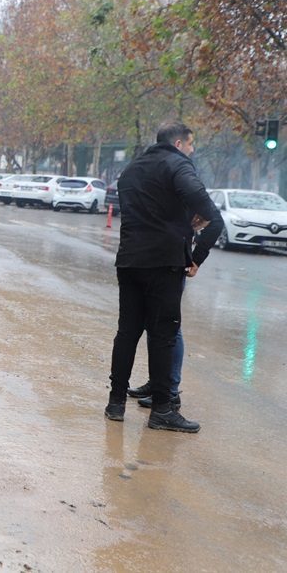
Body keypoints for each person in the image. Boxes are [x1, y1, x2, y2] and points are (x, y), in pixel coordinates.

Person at [104, 121, 223, 433]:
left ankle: (116, 403)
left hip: (129, 261)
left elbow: (147, 211)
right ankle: (162, 411)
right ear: (180, 143)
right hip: (164, 264)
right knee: (163, 336)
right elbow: (213, 216)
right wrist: (196, 257)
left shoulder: (130, 169)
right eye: (192, 144)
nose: (193, 150)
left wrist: (183, 222)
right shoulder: (178, 166)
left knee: (127, 332)